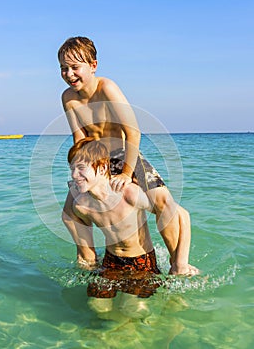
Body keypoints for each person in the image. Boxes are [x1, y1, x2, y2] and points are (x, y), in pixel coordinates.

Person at [58, 36, 197, 275]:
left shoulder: (107, 88)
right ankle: (89, 261)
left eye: (75, 67)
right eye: (64, 68)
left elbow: (133, 132)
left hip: (125, 153)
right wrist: (79, 173)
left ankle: (177, 265)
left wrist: (125, 172)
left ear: (93, 65)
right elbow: (80, 140)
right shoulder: (68, 98)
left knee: (164, 203)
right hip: (95, 159)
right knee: (70, 212)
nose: (69, 74)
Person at [67, 137, 198, 318]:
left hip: (141, 263)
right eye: (72, 169)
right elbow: (78, 235)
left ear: (103, 168)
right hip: (111, 262)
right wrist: (87, 264)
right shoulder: (81, 206)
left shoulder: (129, 194)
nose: (74, 175)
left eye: (81, 168)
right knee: (98, 308)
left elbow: (182, 214)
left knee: (131, 309)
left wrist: (180, 263)